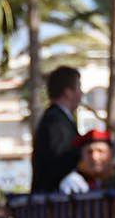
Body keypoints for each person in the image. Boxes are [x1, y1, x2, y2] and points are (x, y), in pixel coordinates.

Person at [32, 65, 83, 195]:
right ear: (68, 92)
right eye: (78, 88)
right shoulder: (56, 120)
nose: (81, 93)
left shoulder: (57, 118)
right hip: (55, 202)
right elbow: (61, 160)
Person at [56, 129, 113, 195]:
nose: (94, 157)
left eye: (100, 151)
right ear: (81, 157)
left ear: (110, 155)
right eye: (89, 152)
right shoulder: (74, 182)